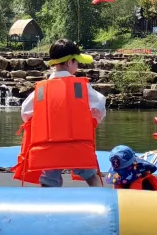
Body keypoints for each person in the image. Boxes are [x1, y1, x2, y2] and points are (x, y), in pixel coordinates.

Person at [15, 39, 106, 187]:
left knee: (49, 181)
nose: (78, 65)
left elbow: (26, 113)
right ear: (70, 62)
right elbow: (100, 104)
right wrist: (93, 120)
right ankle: (102, 202)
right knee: (91, 177)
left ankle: (47, 208)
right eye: (77, 62)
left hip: (49, 149)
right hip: (76, 146)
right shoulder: (80, 87)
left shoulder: (42, 90)